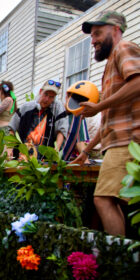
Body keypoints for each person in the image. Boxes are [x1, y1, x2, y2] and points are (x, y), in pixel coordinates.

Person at [72, 11, 140, 236]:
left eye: (98, 34)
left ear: (116, 30)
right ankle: (124, 257)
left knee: (102, 199)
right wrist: (87, 151)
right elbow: (110, 120)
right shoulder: (111, 63)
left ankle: (117, 263)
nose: (93, 41)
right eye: (92, 36)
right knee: (119, 202)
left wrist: (99, 106)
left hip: (128, 140)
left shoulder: (124, 48)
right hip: (119, 141)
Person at [8, 79, 68, 159]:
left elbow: (62, 130)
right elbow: (12, 128)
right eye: (45, 94)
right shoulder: (25, 108)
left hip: (45, 160)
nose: (47, 99)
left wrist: (56, 150)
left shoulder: (57, 109)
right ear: (40, 92)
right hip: (21, 157)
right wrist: (9, 149)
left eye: (51, 97)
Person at [0, 81, 17, 155]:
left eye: (0, 90)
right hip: (0, 130)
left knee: (4, 155)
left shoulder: (8, 100)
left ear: (2, 91)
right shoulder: (8, 99)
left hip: (5, 130)